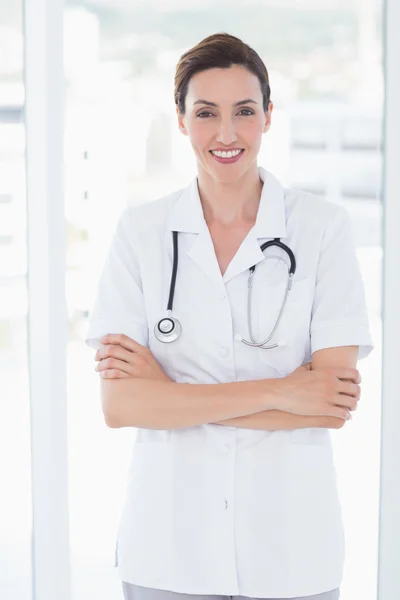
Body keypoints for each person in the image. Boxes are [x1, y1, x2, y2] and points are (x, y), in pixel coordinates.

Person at [85, 32, 374, 600]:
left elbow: (331, 404)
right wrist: (283, 391)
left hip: (291, 554)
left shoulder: (322, 230)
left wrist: (172, 398)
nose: (226, 133)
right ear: (180, 120)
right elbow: (121, 406)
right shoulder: (140, 233)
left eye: (244, 111)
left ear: (268, 117)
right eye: (205, 113)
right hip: (168, 552)